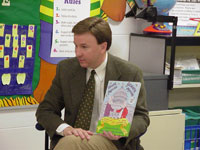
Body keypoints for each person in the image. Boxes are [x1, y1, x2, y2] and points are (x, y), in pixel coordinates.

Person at [36, 16, 150, 150]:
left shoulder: (129, 72)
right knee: (71, 142)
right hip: (74, 138)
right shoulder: (66, 69)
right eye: (76, 46)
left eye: (84, 47)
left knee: (70, 144)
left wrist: (122, 130)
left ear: (103, 47)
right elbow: (45, 110)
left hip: (111, 143)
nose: (77, 53)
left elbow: (142, 117)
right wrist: (65, 129)